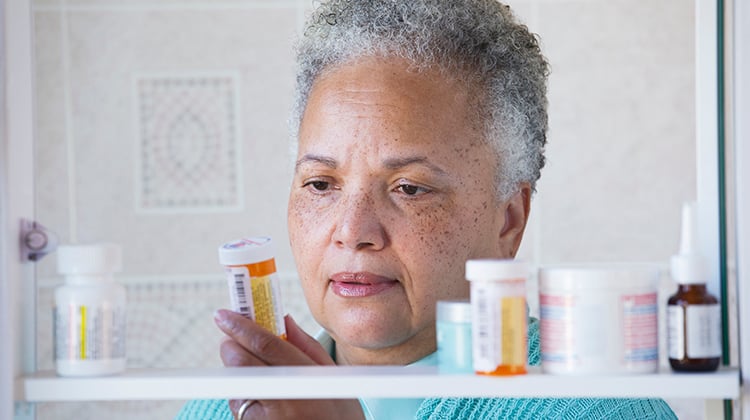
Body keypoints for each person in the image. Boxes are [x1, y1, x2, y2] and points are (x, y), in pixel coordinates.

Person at [177, 0, 677, 419]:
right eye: (321, 183)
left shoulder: (598, 407)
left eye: (409, 188)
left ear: (509, 222)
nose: (353, 231)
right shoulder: (224, 410)